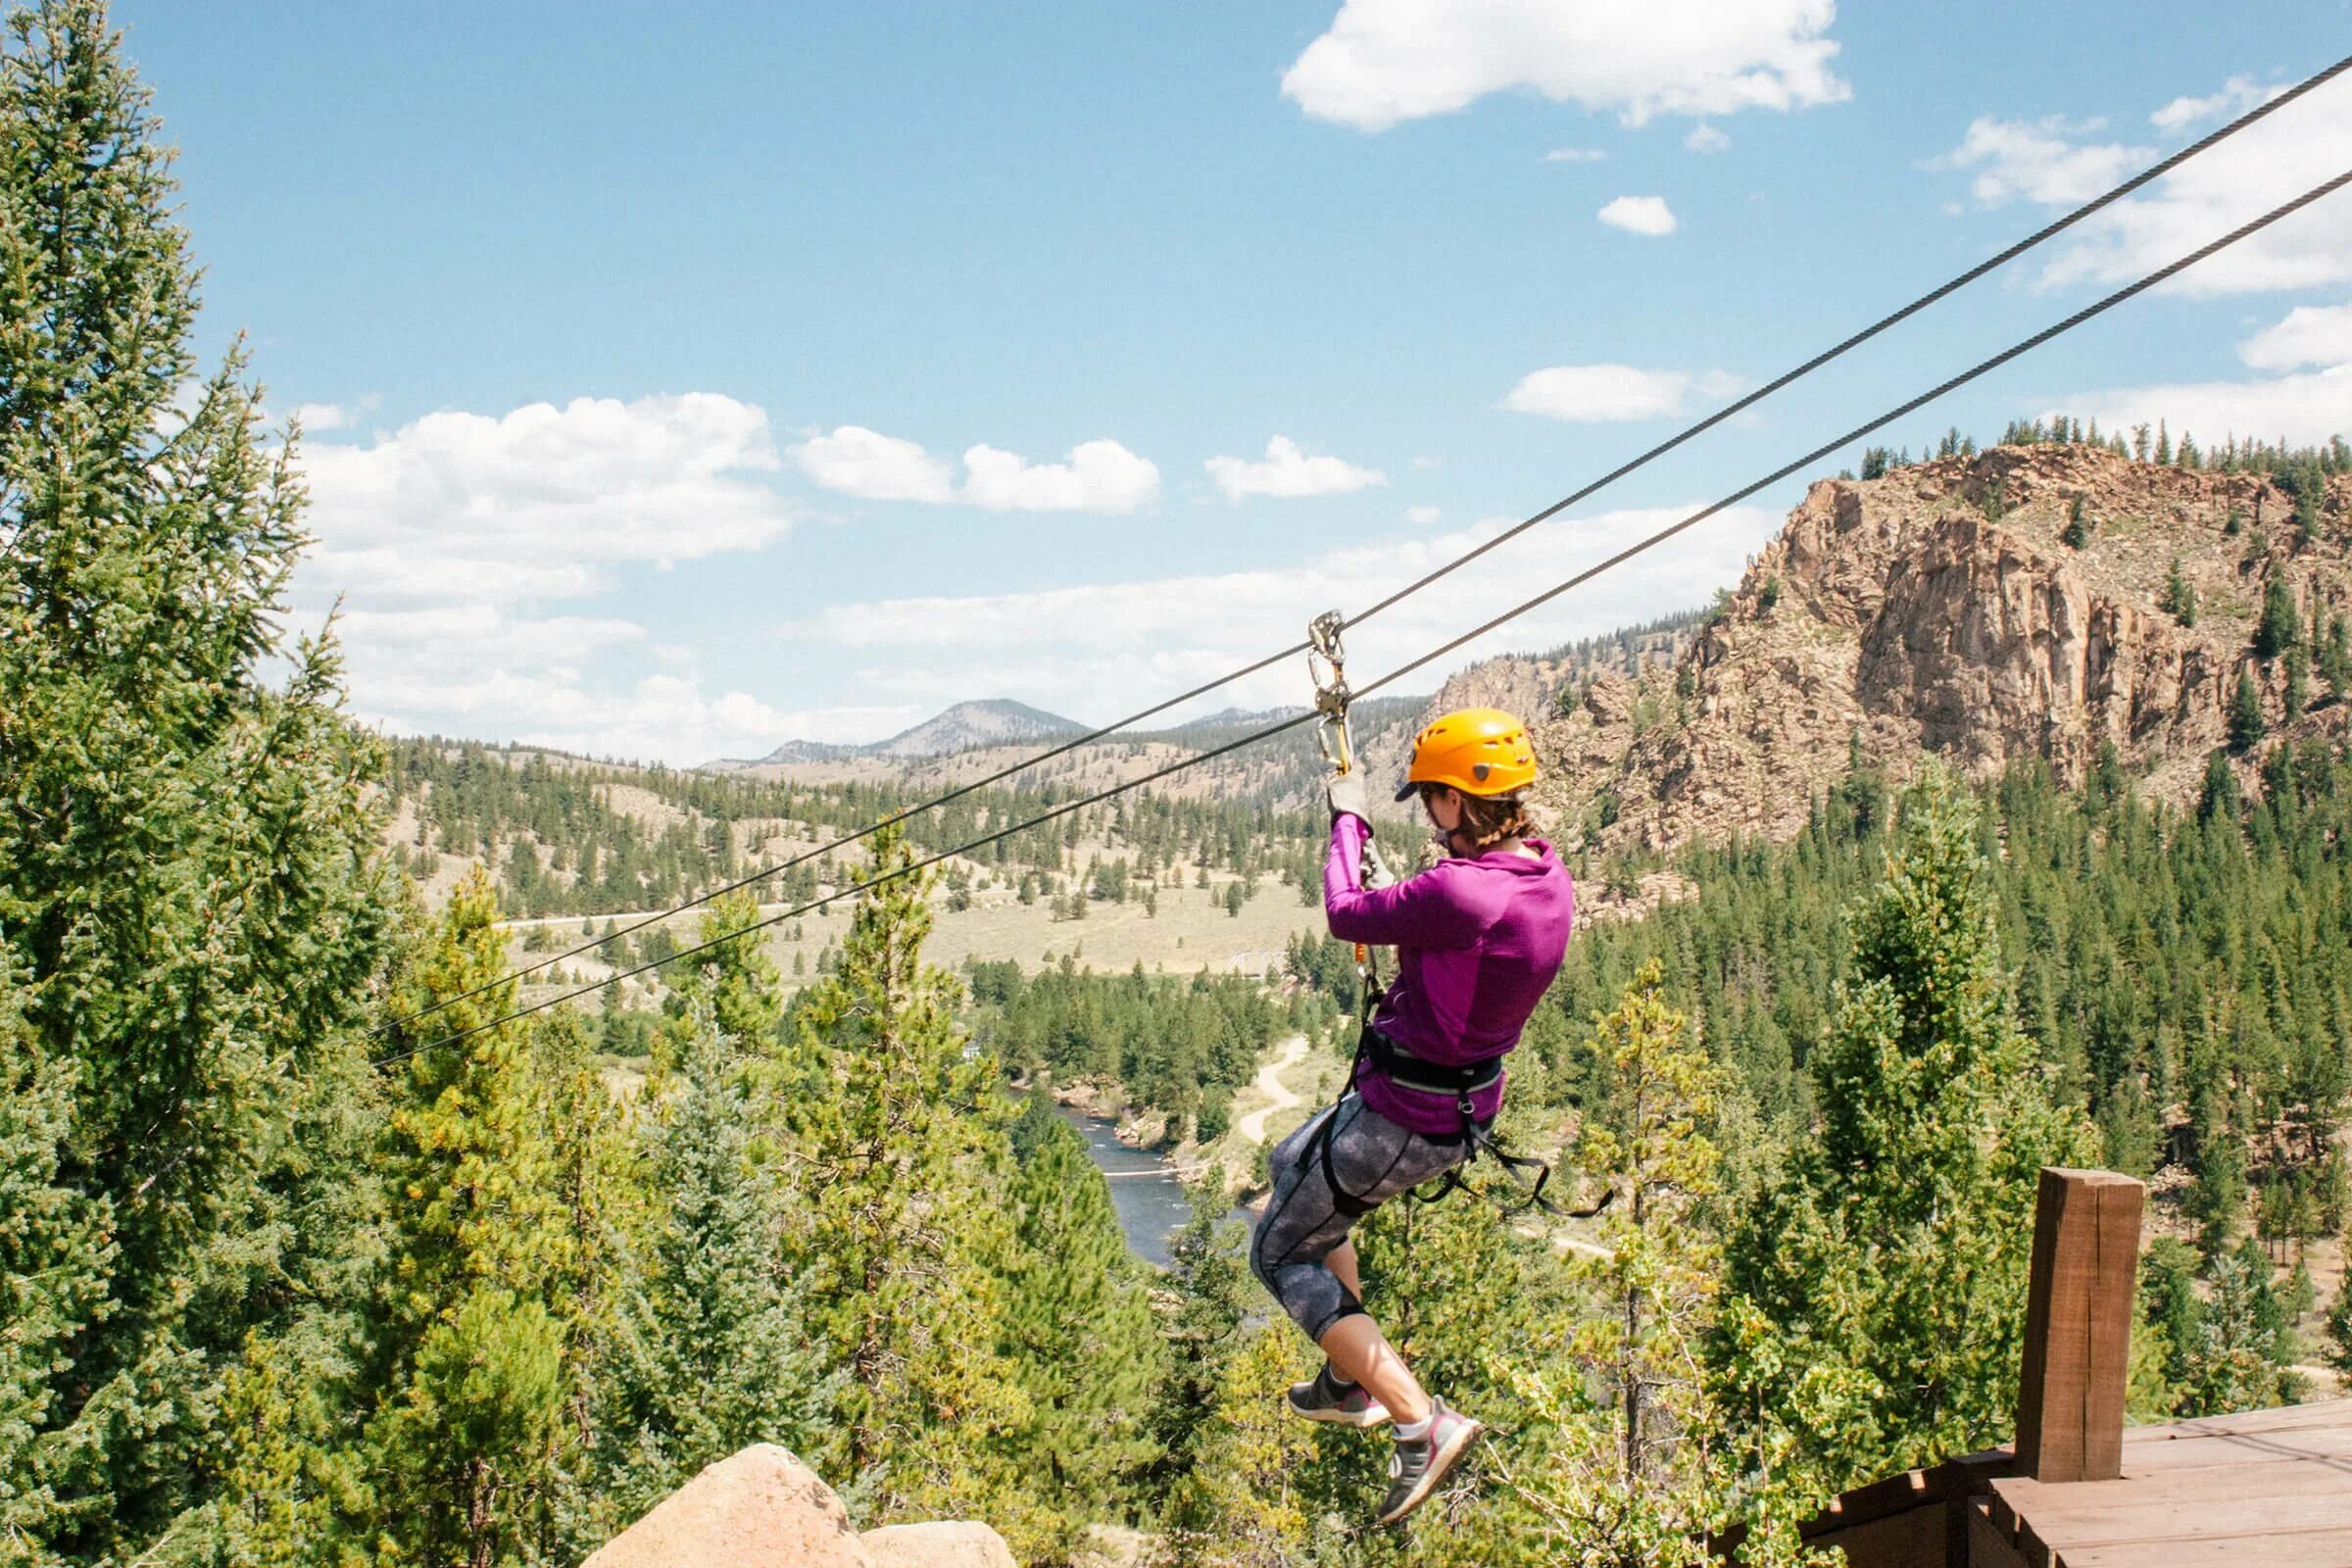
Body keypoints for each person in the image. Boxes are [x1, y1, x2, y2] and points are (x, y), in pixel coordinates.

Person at [1250, 707, 1576, 1526]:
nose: (1427, 814)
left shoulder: (1461, 891)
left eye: (1431, 798)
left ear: (1460, 804)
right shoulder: (1542, 874)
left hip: (1404, 1115)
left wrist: (1348, 819)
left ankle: (1414, 1418)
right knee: (1290, 1166)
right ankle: (1345, 1370)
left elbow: (1344, 910)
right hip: (1447, 1105)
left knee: (1279, 1253)